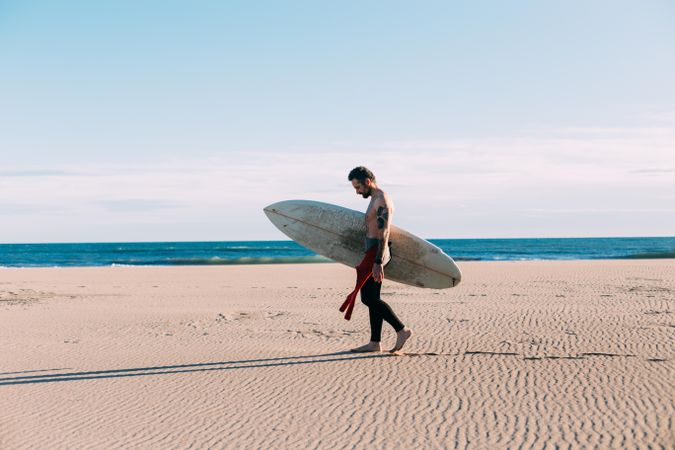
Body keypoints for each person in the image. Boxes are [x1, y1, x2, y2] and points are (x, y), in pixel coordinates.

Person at [347, 166, 412, 353]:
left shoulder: (382, 200)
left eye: (358, 187)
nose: (357, 192)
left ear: (367, 181)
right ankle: (375, 343)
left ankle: (401, 330)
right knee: (372, 297)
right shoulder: (375, 199)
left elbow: (384, 233)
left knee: (368, 298)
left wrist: (377, 262)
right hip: (371, 251)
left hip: (377, 252)